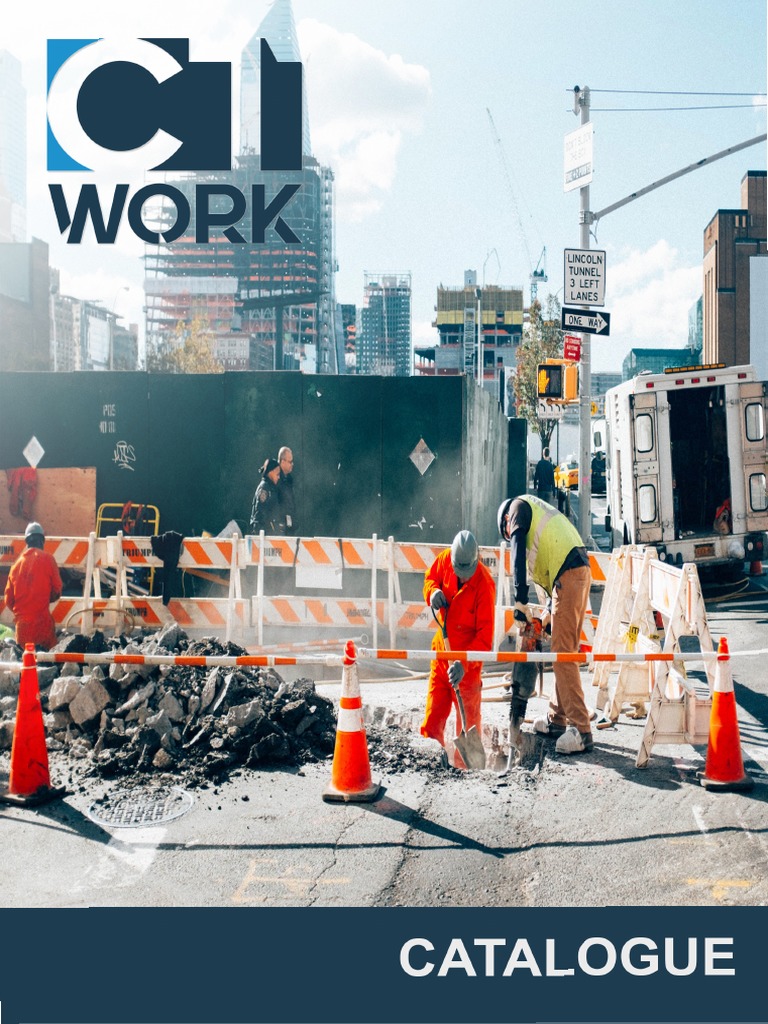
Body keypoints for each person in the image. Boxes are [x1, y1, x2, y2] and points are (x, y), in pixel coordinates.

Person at [497, 494, 594, 754]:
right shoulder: (539, 512)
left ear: (506, 520)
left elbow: (517, 553)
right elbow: (554, 554)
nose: (510, 535)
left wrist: (520, 601)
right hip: (576, 569)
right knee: (564, 649)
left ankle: (582, 730)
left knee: (563, 655)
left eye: (508, 532)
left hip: (569, 573)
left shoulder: (516, 508)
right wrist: (551, 609)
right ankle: (556, 720)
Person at [421, 530, 496, 768]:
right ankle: (430, 763)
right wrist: (432, 592)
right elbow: (429, 579)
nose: (462, 578)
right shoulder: (444, 560)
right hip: (442, 656)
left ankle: (465, 770)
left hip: (467, 667)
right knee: (433, 718)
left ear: (475, 561)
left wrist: (463, 665)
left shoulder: (484, 586)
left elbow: (485, 639)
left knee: (468, 723)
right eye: (458, 573)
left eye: (467, 574)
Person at [3, 521, 63, 650]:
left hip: (22, 630)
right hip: (43, 627)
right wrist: (44, 598)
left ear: (27, 541)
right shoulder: (48, 559)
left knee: (25, 665)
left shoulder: (16, 566)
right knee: (50, 664)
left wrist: (23, 611)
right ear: (42, 541)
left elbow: (8, 600)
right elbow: (57, 590)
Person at [250, 458, 282, 534]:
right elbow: (259, 513)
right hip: (263, 535)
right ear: (271, 472)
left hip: (268, 534)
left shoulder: (270, 488)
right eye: (277, 474)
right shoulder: (264, 488)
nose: (279, 477)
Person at [276, 445, 297, 535]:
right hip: (279, 527)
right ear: (282, 461)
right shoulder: (275, 478)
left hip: (288, 526)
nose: (292, 464)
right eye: (290, 461)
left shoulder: (289, 479)